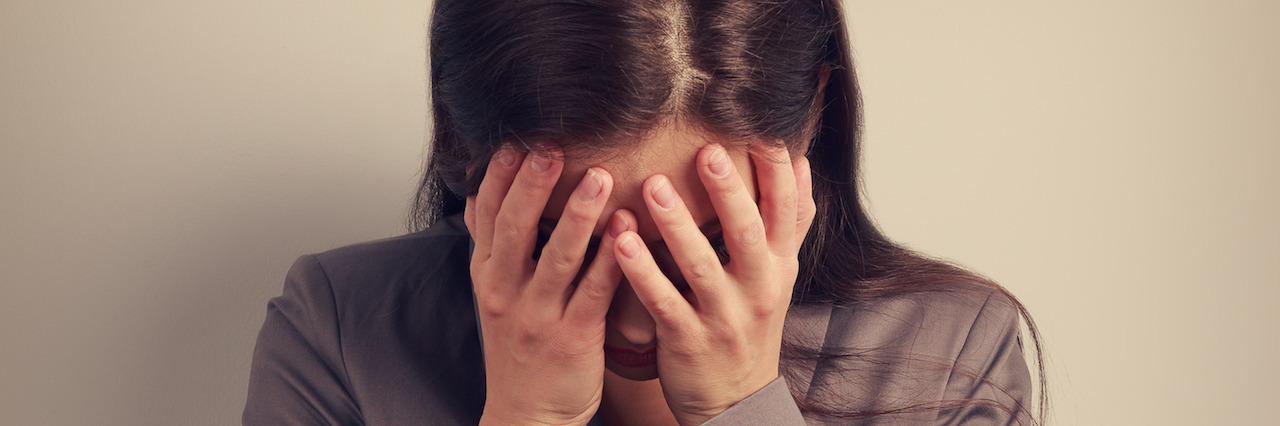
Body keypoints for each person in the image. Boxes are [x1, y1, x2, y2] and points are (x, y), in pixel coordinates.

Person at [244, 0, 1045, 424]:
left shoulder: (948, 358)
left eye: (700, 242)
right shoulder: (341, 332)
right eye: (568, 240)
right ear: (466, 145)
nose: (633, 320)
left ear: (812, 123)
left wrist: (743, 410)